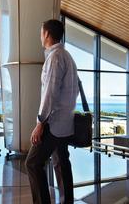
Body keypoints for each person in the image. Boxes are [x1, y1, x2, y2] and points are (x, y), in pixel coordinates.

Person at [26, 19, 79, 204]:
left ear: (47, 34)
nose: (40, 36)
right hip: (66, 122)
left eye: (41, 32)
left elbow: (50, 93)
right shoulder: (67, 56)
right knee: (61, 163)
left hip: (53, 123)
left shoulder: (55, 57)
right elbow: (75, 89)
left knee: (32, 163)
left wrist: (40, 122)